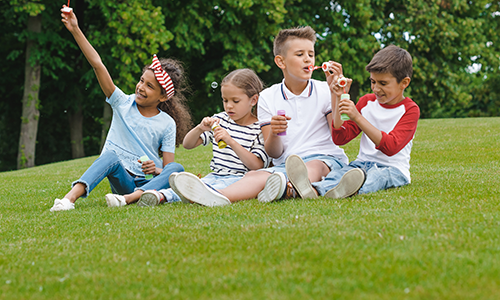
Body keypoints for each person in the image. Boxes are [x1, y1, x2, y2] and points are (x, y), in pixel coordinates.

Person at [172, 26, 349, 206]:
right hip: (285, 165)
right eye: (300, 54)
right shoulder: (268, 97)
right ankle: (216, 195)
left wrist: (336, 94)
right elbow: (274, 152)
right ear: (281, 61)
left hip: (325, 159)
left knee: (313, 167)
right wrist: (275, 133)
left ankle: (292, 188)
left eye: (311, 54)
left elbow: (338, 131)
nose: (308, 59)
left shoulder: (325, 90)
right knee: (254, 176)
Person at [50, 6, 192, 211]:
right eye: (142, 80)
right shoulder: (122, 103)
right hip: (124, 182)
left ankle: (135, 198)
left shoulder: (167, 123)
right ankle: (68, 200)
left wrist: (156, 168)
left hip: (148, 183)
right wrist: (75, 29)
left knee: (176, 168)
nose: (141, 87)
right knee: (109, 156)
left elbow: (167, 169)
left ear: (163, 96)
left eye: (149, 86)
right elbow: (98, 65)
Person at [288, 45, 420, 199]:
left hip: (393, 169)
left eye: (383, 83)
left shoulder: (410, 110)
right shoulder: (366, 102)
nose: (376, 89)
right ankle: (311, 190)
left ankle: (347, 190)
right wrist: (337, 97)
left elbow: (390, 147)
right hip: (361, 165)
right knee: (340, 174)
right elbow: (340, 137)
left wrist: (357, 117)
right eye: (373, 82)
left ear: (404, 83)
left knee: (376, 178)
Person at [137, 69, 269, 207]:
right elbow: (188, 144)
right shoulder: (220, 120)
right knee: (197, 185)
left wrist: (230, 141)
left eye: (235, 101)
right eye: (225, 100)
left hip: (239, 181)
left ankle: (199, 196)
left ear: (253, 100)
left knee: (205, 189)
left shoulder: (260, 128)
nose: (229, 106)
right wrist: (200, 128)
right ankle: (161, 195)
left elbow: (257, 165)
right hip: (215, 175)